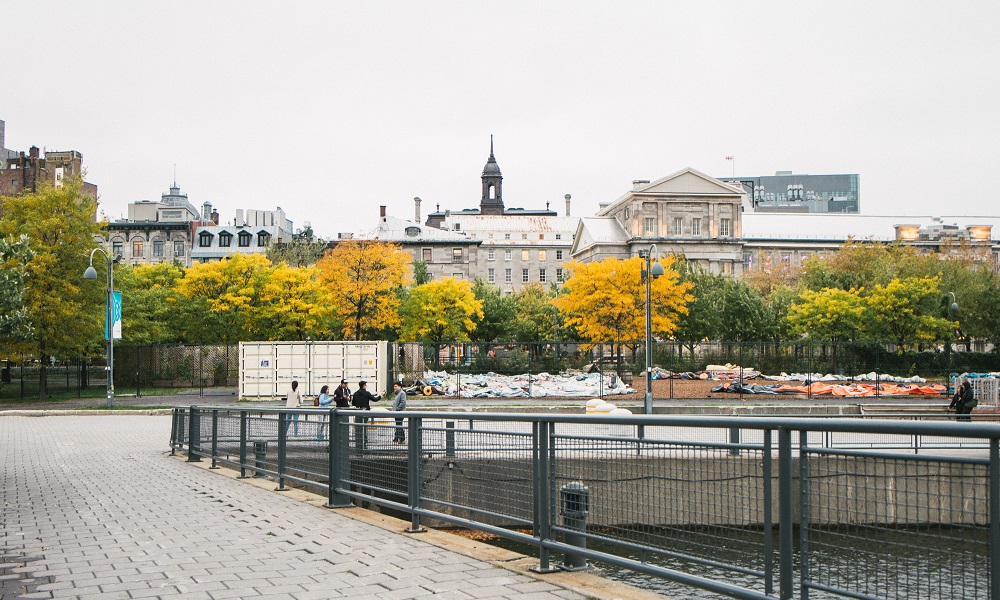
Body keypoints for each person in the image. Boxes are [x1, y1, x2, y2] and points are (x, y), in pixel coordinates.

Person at [351, 381, 380, 446]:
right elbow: (375, 399)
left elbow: (353, 403)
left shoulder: (355, 393)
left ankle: (358, 442)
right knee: (364, 426)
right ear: (364, 386)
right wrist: (380, 395)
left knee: (358, 427)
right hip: (365, 411)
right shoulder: (366, 393)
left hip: (358, 411)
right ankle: (364, 441)